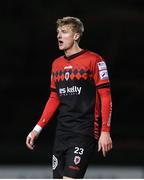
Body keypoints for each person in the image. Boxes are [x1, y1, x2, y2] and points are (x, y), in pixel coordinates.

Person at [26, 16, 113, 179]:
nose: (59, 35)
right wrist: (37, 129)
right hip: (62, 133)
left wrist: (105, 131)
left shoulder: (94, 60)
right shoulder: (56, 64)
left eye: (64, 32)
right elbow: (54, 98)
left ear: (76, 36)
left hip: (83, 131)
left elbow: (106, 96)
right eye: (58, 32)